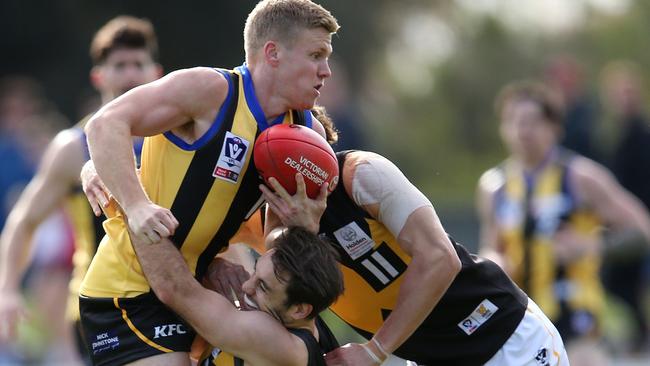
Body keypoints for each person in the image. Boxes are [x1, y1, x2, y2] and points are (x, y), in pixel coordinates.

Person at [79, 1, 339, 364]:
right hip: (129, 289)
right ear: (273, 53)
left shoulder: (306, 135)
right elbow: (104, 124)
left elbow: (272, 243)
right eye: (316, 55)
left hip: (207, 293)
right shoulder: (210, 91)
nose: (325, 71)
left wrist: (300, 229)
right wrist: (136, 204)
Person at [259, 109, 568, 366]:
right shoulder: (273, 211)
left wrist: (373, 351)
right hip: (431, 357)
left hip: (501, 338)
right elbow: (281, 290)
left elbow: (440, 259)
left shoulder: (360, 174)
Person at [0, 15, 162, 363]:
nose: (130, 74)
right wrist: (8, 291)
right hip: (98, 308)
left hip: (168, 298)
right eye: (119, 65)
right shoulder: (73, 148)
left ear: (156, 73)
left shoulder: (177, 140)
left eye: (138, 63)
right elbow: (23, 221)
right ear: (98, 76)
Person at [476, 80, 650, 364]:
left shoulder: (582, 177)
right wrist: (493, 259)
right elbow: (490, 246)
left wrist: (593, 245)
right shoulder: (493, 187)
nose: (523, 131)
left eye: (532, 121)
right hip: (519, 319)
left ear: (555, 128)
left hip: (576, 319)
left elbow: (642, 231)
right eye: (513, 121)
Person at [128, 226, 343, 366]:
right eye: (255, 270)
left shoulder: (277, 342)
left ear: (299, 309)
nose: (247, 286)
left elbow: (174, 288)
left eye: (263, 287)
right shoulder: (298, 316)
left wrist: (130, 202)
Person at [599, 60, 650, 353]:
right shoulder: (612, 133)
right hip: (624, 224)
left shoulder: (642, 134)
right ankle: (640, 331)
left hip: (640, 222)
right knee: (618, 281)